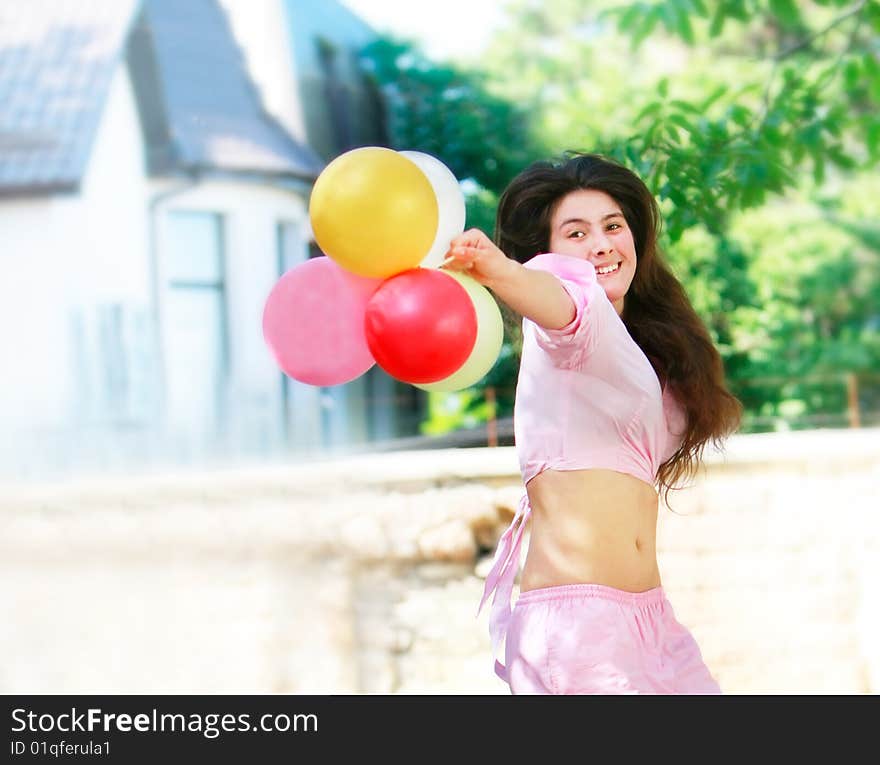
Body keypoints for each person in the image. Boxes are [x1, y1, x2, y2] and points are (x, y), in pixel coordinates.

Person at [440, 152, 743, 694]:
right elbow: (561, 302)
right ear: (550, 254)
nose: (601, 244)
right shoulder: (567, 319)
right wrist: (502, 270)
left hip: (650, 620)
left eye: (613, 226)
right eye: (576, 233)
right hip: (581, 627)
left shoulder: (640, 344)